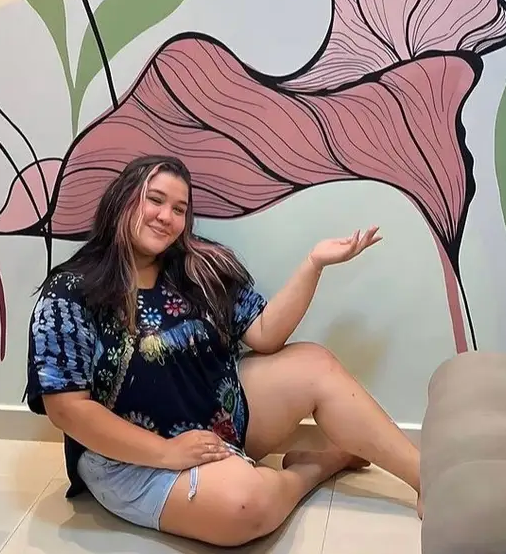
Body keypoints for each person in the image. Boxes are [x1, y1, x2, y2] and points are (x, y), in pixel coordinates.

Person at [24, 155, 422, 546]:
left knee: (314, 365)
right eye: (155, 200)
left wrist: (313, 264)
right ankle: (318, 467)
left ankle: (427, 479)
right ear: (122, 199)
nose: (166, 217)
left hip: (216, 416)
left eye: (179, 209)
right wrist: (166, 452)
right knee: (245, 506)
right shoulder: (71, 291)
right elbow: (67, 410)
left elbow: (265, 334)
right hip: (130, 458)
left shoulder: (198, 267)